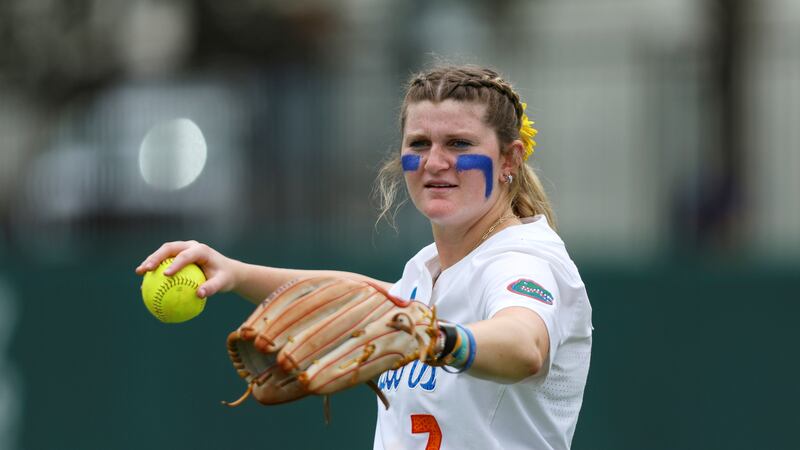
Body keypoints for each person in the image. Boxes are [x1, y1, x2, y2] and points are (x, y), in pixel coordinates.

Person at [135, 64, 592, 450]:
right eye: (419, 144)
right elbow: (363, 296)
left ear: (509, 159)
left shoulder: (523, 259)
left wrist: (437, 340)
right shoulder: (429, 267)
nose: (434, 162)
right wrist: (235, 274)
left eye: (459, 144)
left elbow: (523, 345)